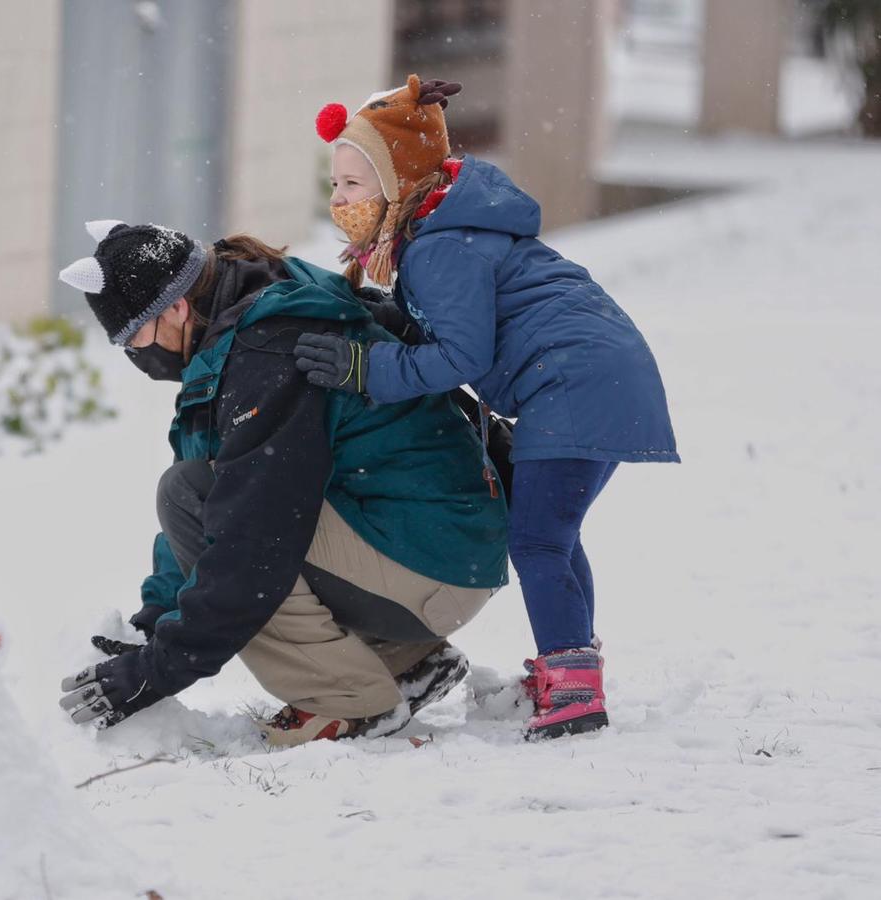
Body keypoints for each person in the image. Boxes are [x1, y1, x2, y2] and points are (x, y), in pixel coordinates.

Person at [293, 76, 680, 740]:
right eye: (334, 185)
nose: (339, 199)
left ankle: (573, 690)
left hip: (573, 384)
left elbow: (461, 357)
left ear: (396, 181)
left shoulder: (441, 243)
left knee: (536, 539)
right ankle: (571, 672)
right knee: (551, 537)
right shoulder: (445, 229)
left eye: (353, 185)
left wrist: (365, 367)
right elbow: (460, 327)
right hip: (595, 379)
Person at [55, 220, 509, 746]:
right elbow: (217, 494)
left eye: (135, 336)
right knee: (211, 498)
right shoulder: (248, 307)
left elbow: (245, 544)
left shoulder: (264, 352)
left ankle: (350, 701)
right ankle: (406, 663)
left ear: (176, 307)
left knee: (224, 522)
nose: (136, 355)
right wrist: (154, 620)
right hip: (446, 546)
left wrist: (159, 668)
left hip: (433, 561)